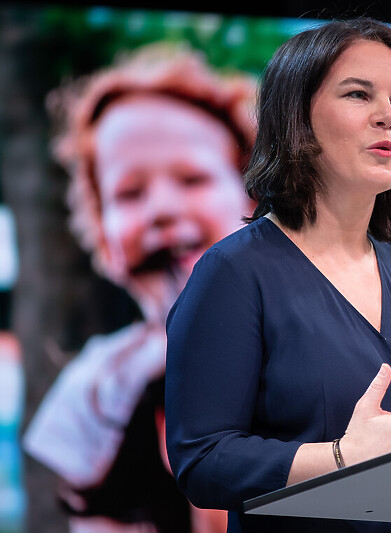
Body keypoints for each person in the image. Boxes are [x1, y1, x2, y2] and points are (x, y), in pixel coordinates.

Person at [165, 17, 391, 533]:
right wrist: (342, 457)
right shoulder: (234, 273)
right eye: (359, 95)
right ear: (297, 118)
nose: (388, 117)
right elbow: (201, 461)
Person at [23, 43, 256, 533]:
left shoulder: (310, 346)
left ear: (254, 203)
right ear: (103, 239)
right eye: (130, 193)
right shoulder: (95, 388)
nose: (162, 208)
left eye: (193, 178)